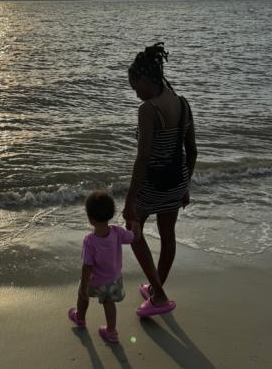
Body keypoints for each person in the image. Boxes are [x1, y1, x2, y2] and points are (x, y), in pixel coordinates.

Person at [122, 42, 197, 317]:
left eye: (136, 87)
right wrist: (185, 186)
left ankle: (159, 294)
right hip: (176, 182)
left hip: (152, 185)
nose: (136, 93)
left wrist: (130, 201)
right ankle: (156, 289)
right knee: (168, 236)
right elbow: (192, 151)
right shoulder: (183, 104)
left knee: (133, 232)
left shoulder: (148, 109)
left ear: (146, 79)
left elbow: (142, 158)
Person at [68, 190, 134, 343]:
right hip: (113, 279)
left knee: (82, 296)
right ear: (110, 214)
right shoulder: (117, 232)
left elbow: (87, 266)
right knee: (108, 302)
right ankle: (111, 332)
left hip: (95, 281)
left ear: (91, 219)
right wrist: (135, 228)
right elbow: (132, 237)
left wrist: (84, 285)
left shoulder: (90, 240)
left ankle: (80, 318)